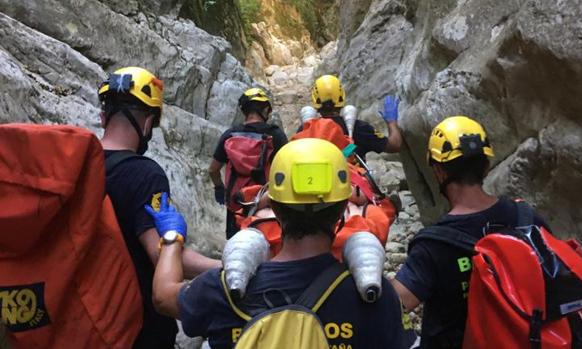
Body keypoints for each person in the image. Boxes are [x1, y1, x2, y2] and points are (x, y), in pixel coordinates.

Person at [148, 138, 416, 349]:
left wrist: (172, 238)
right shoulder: (374, 297)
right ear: (341, 210)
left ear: (273, 206)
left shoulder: (221, 289)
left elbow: (163, 296)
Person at [391, 116, 551, 348]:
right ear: (485, 167)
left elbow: (395, 304)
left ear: (438, 172)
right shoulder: (526, 218)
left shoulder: (434, 245)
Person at [98, 66, 221, 349]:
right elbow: (162, 254)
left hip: (91, 316)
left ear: (104, 117)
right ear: (147, 122)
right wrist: (224, 268)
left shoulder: (81, 166)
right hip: (137, 329)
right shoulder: (144, 174)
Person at [208, 87, 288, 238]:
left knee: (236, 248)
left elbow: (213, 170)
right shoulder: (275, 135)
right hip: (264, 204)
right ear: (265, 110)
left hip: (236, 204)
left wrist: (219, 188)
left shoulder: (229, 135)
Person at [303, 74, 402, 159]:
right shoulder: (359, 128)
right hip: (350, 180)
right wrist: (392, 122)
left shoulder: (306, 130)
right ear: (342, 97)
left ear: (315, 102)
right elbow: (395, 145)